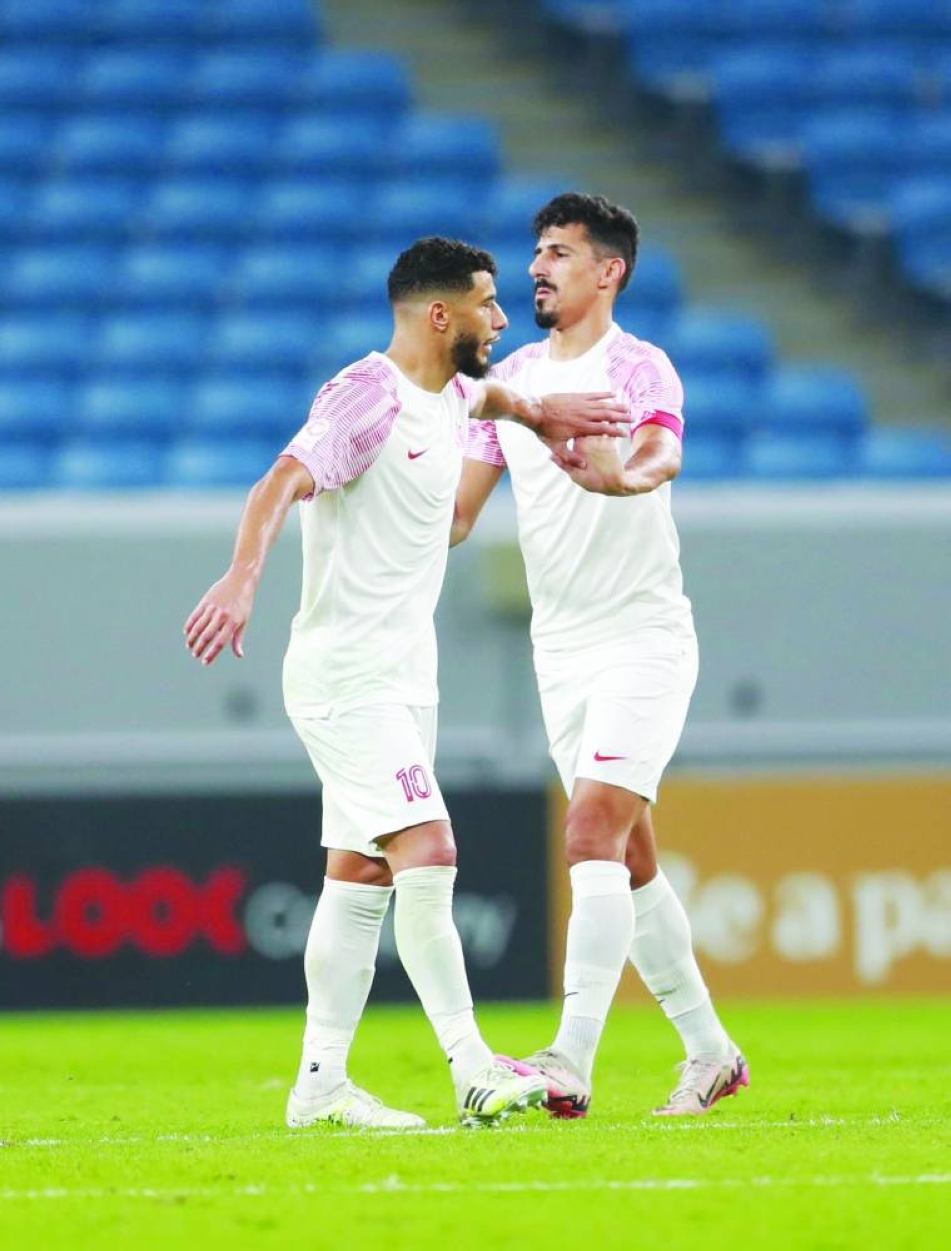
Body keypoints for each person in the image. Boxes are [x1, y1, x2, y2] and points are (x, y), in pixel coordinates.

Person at [184, 236, 628, 1129]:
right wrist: (242, 576)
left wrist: (544, 416)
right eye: (487, 304)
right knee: (429, 848)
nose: (504, 319)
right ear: (440, 315)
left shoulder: (458, 394)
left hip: (401, 680)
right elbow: (281, 478)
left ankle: (319, 1084)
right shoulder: (367, 397)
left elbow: (494, 396)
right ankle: (471, 1065)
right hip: (347, 678)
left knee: (358, 877)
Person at [452, 194, 750, 1119]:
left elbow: (662, 454)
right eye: (535, 253)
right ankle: (711, 1050)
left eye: (557, 253)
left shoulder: (639, 366)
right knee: (628, 859)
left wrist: (621, 475)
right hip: (561, 649)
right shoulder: (514, 382)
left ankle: (569, 1057)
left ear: (608, 270)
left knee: (587, 831)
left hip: (643, 638)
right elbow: (456, 514)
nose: (535, 269)